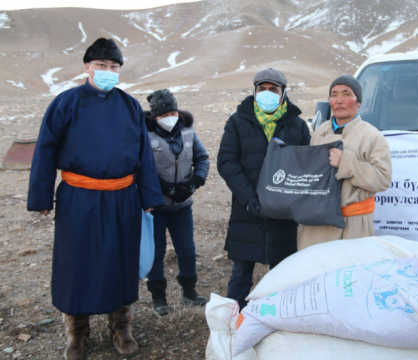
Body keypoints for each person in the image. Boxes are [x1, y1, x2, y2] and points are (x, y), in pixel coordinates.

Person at [27, 38, 163, 360]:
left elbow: (144, 154)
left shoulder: (130, 106)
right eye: (102, 65)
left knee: (120, 260)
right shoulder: (66, 102)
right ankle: (76, 331)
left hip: (122, 198)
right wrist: (41, 196)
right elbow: (45, 149)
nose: (108, 71)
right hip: (79, 197)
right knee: (78, 263)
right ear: (87, 67)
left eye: (114, 67)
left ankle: (121, 326)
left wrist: (149, 195)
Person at [217, 68, 311, 309]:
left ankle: (278, 320)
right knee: (240, 274)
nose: (267, 94)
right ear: (254, 91)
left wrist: (289, 201)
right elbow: (227, 162)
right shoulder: (237, 121)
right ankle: (232, 324)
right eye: (262, 89)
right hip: (246, 210)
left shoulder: (297, 126)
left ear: (283, 93)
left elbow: (304, 166)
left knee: (282, 274)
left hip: (282, 213)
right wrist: (249, 198)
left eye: (273, 89)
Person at [298, 75, 392, 250]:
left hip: (352, 225)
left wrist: (347, 163)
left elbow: (383, 179)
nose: (339, 100)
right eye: (334, 95)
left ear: (358, 102)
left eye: (346, 94)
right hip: (316, 223)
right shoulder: (319, 132)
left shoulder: (372, 136)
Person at [143, 89, 209, 315]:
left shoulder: (188, 132)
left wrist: (195, 182)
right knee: (156, 252)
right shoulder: (145, 135)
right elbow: (141, 167)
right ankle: (159, 298)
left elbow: (202, 158)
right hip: (155, 207)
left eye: (173, 111)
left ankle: (189, 291)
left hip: (182, 206)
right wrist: (162, 188)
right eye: (163, 114)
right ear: (155, 117)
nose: (169, 117)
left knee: (187, 249)